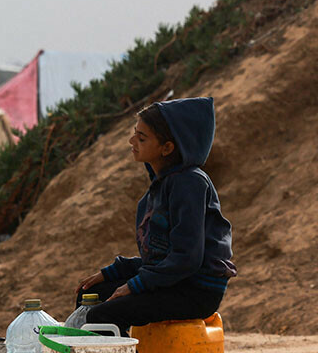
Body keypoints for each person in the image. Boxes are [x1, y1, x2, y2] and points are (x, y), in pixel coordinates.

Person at [74, 97, 236, 336]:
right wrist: (114, 272)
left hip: (196, 291)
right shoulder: (162, 186)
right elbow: (160, 260)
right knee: (92, 295)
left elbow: (186, 259)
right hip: (175, 281)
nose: (132, 141)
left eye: (142, 138)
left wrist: (135, 285)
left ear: (167, 148)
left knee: (102, 315)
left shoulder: (189, 183)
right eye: (134, 134)